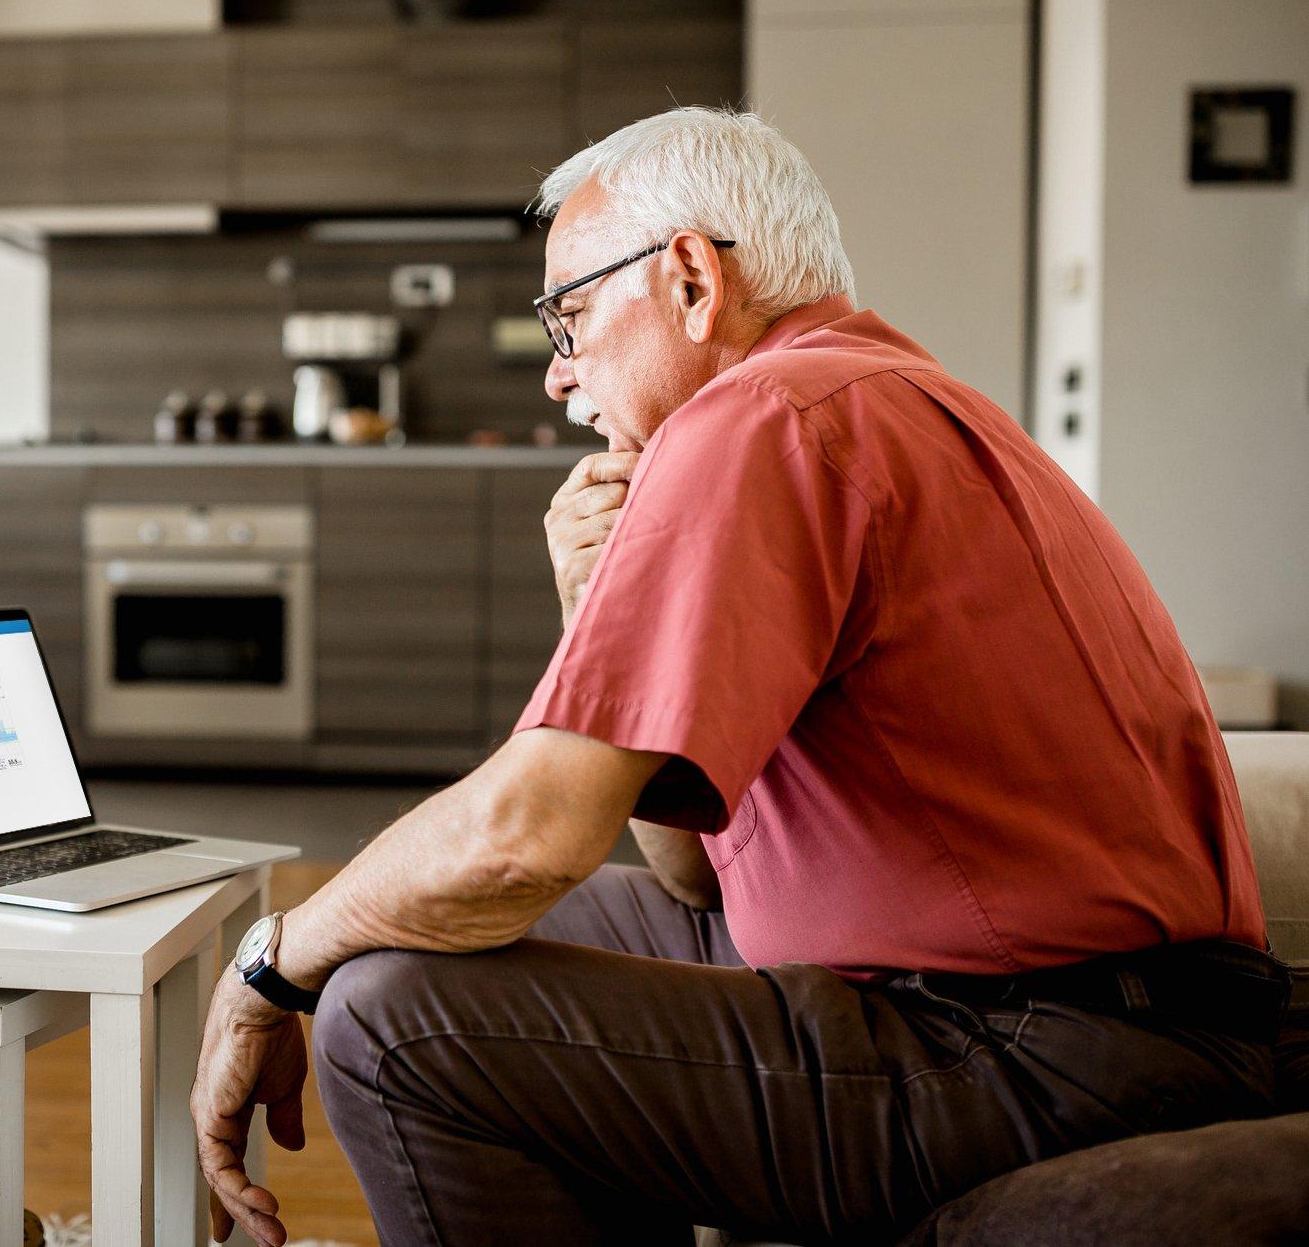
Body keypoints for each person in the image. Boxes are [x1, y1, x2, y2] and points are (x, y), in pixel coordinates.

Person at [190, 107, 1285, 1246]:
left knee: (391, 1016)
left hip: (1034, 1043)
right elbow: (690, 878)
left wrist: (271, 963)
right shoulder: (874, 393)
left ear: (691, 281)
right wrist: (599, 613)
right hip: (1080, 1013)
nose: (558, 378)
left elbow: (526, 838)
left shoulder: (763, 416)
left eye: (569, 317)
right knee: (421, 933)